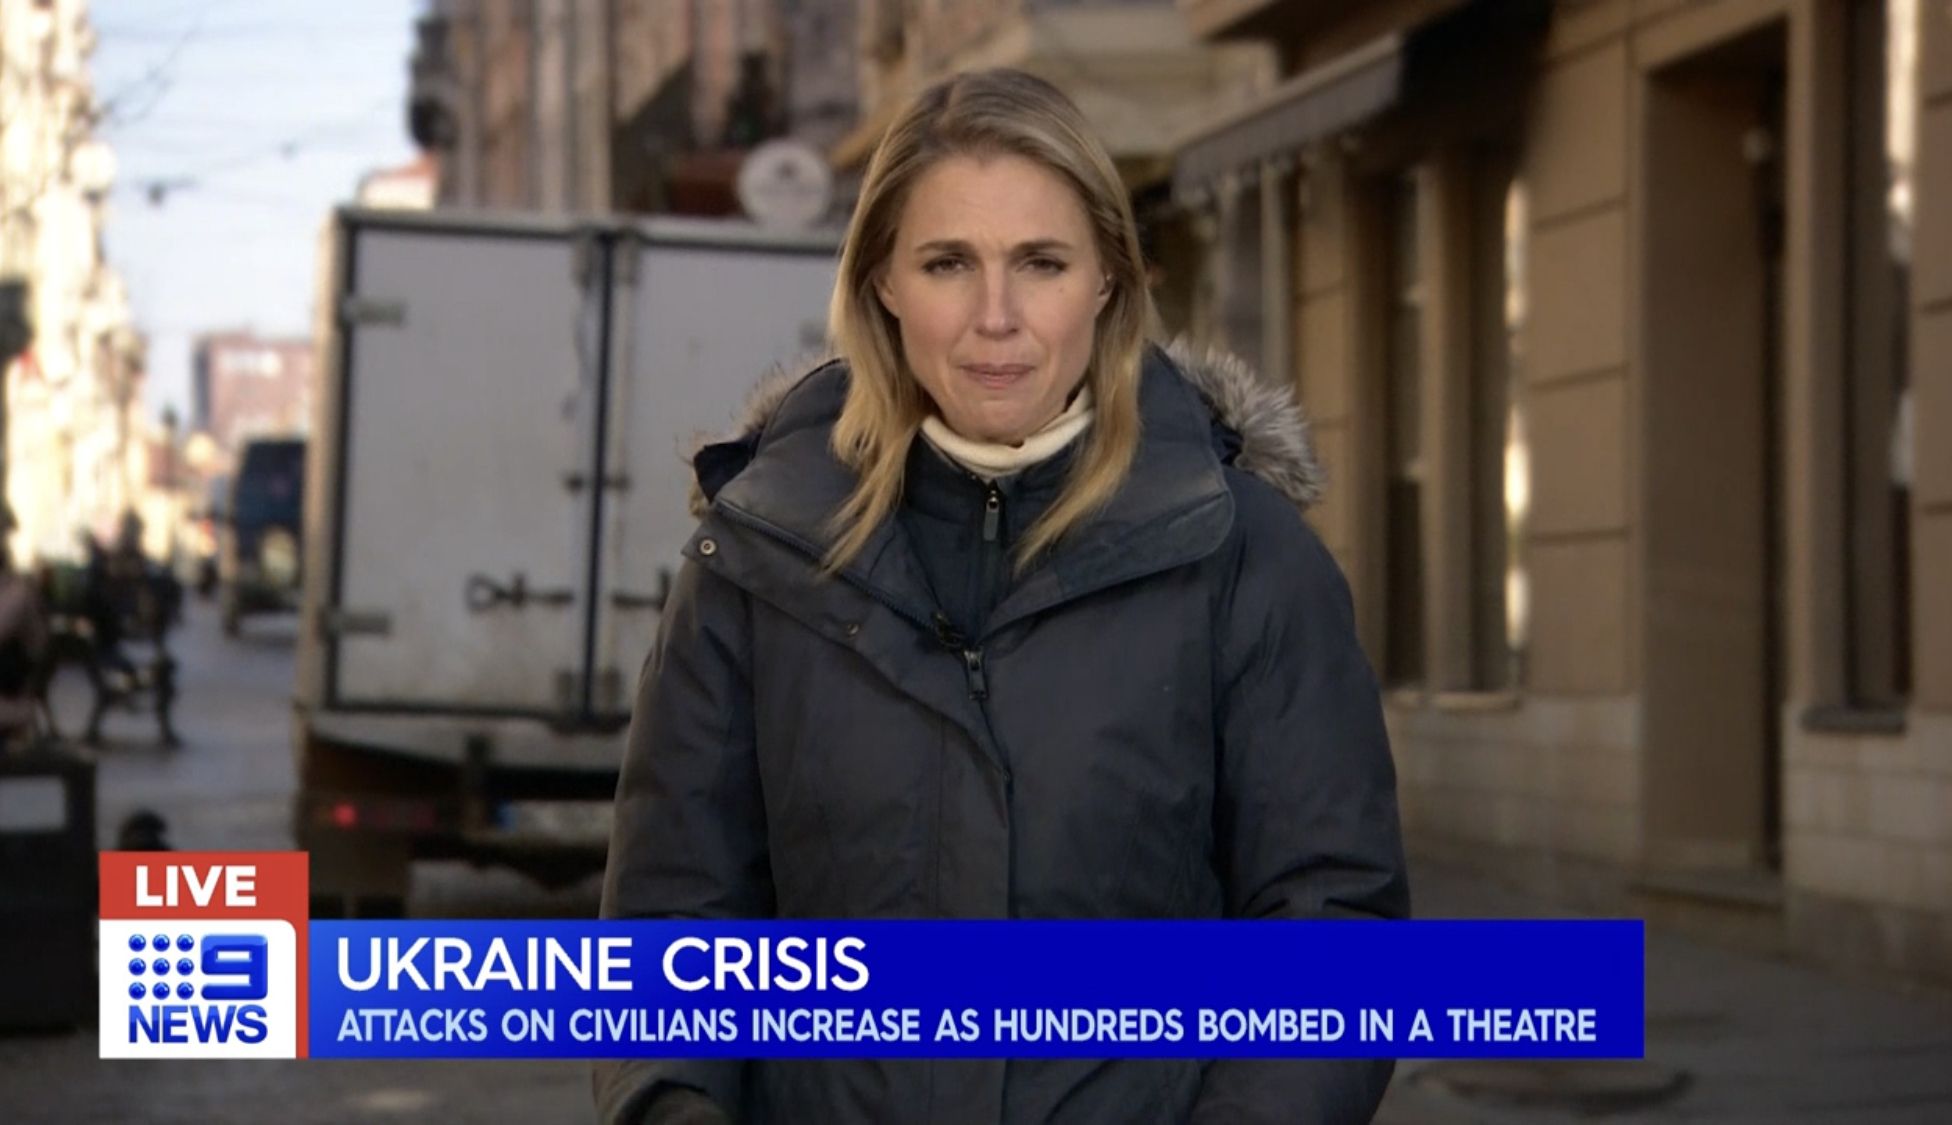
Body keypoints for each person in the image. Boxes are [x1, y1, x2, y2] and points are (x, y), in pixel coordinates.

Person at [596, 68, 1409, 1125]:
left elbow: (1330, 926)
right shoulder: (757, 557)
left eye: (1041, 263)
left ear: (1108, 279)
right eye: (947, 263)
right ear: (882, 282)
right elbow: (671, 928)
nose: (996, 319)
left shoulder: (1243, 555)